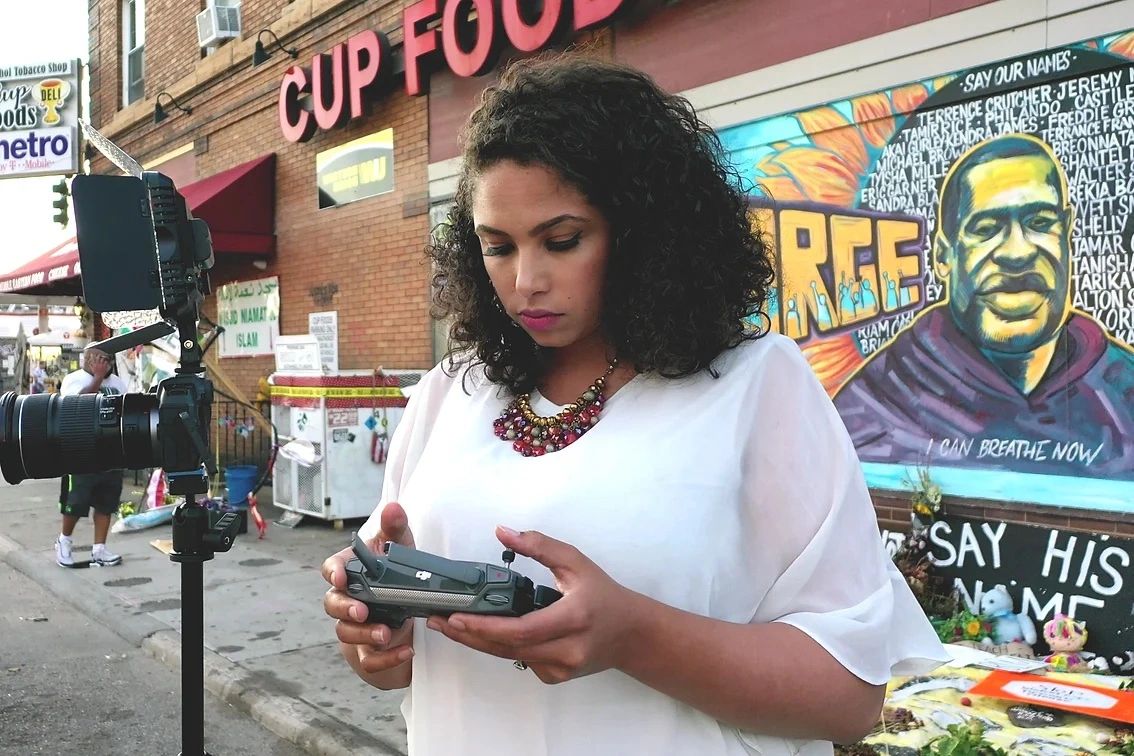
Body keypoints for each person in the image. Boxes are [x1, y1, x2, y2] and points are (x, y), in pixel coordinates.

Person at [321, 55, 946, 756]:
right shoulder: (451, 392)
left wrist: (635, 636)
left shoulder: (753, 385)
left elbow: (848, 697)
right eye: (497, 247)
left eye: (562, 241)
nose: (525, 280)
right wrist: (378, 633)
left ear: (643, 229)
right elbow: (398, 671)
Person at [835, 134, 1134, 479]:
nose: (1017, 253)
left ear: (1067, 232)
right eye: (987, 228)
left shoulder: (1123, 393)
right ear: (944, 256)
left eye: (1040, 222)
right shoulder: (873, 411)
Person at [55, 346, 128, 567]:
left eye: (108, 359)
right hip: (82, 452)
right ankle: (64, 542)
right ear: (88, 360)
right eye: (100, 359)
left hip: (110, 452)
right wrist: (96, 379)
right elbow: (75, 406)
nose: (106, 364)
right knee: (76, 502)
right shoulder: (74, 379)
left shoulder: (117, 382)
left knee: (106, 503)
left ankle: (100, 549)